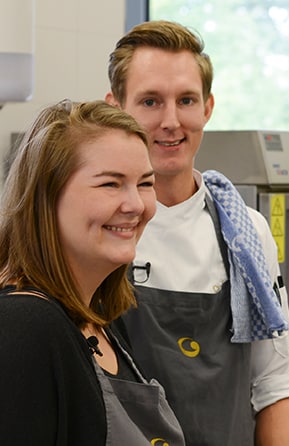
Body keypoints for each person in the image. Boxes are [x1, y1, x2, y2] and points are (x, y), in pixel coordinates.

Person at [105, 21, 289, 446]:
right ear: (115, 108)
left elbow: (276, 381)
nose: (171, 121)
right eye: (151, 101)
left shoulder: (245, 233)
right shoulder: (99, 230)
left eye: (186, 100)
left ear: (208, 108)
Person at [0, 99, 185, 445]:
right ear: (47, 196)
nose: (136, 205)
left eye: (145, 184)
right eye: (110, 184)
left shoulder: (99, 317)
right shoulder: (23, 326)